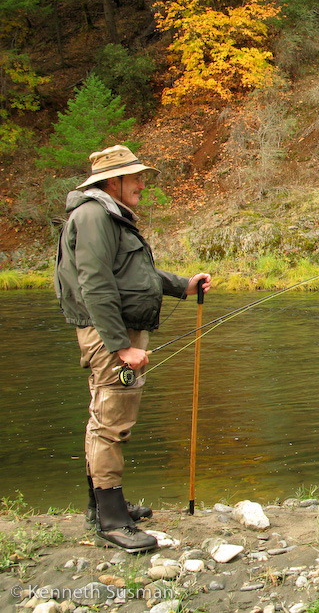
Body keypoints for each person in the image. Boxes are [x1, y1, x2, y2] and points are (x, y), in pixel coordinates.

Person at [54, 145, 212, 553]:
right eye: (136, 176)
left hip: (117, 332)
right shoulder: (93, 216)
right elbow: (96, 283)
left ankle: (103, 504)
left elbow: (132, 273)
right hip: (112, 335)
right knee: (112, 422)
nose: (143, 183)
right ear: (112, 181)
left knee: (103, 416)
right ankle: (111, 522)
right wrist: (121, 346)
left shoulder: (107, 215)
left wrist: (182, 285)